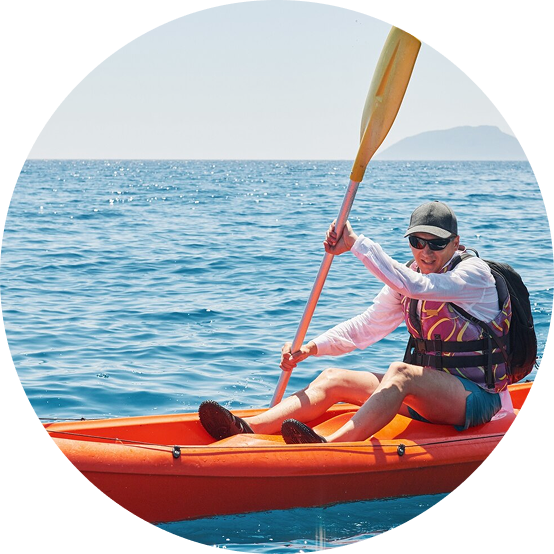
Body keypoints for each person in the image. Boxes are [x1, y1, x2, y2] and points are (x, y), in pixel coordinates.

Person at [199, 201, 513, 444]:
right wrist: (312, 348)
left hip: (477, 400)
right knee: (333, 377)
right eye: (417, 242)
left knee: (401, 373)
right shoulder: (410, 275)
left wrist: (356, 244)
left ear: (456, 243)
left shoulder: (473, 275)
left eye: (436, 243)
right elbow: (366, 326)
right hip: (429, 398)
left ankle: (331, 447)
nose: (425, 252)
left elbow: (417, 287)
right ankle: (247, 429)